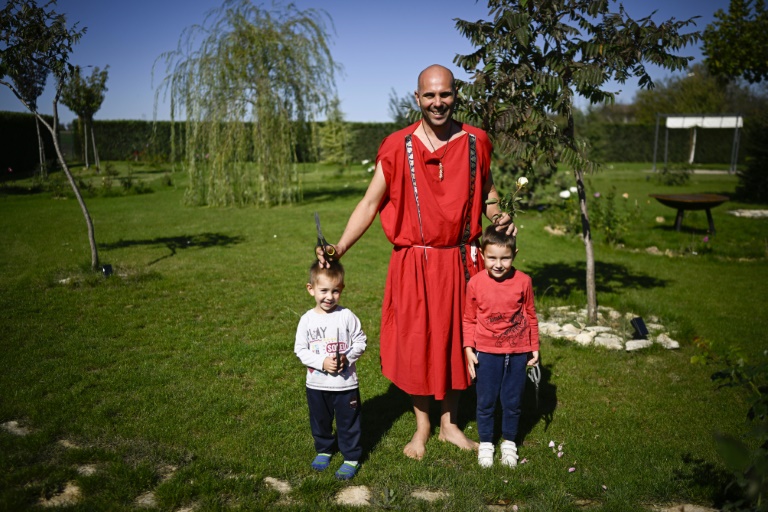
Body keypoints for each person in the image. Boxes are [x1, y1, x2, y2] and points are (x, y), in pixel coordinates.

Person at [316, 64, 514, 460]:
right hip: (415, 263)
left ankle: (449, 424)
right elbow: (370, 203)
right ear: (417, 98)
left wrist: (496, 214)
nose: (438, 103)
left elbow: (488, 189)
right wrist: (337, 247)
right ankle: (423, 427)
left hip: (461, 260)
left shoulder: (477, 140)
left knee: (459, 342)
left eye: (445, 94)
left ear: (455, 94)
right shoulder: (397, 145)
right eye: (430, 95)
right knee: (419, 342)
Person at [463, 225, 540, 468]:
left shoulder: (524, 281)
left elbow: (530, 314)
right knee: (485, 402)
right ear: (483, 255)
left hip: (517, 353)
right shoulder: (475, 283)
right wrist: (468, 349)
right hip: (486, 353)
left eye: (505, 258)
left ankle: (509, 442)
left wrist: (533, 346)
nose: (498, 264)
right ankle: (486, 443)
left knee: (512, 401)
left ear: (515, 254)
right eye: (492, 258)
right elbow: (469, 319)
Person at [294, 260, 367, 480]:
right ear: (311, 289)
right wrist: (321, 362)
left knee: (349, 422)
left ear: (341, 289)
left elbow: (361, 341)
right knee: (320, 420)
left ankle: (351, 457)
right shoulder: (306, 320)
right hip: (317, 385)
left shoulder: (346, 316)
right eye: (323, 290)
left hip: (345, 385)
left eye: (335, 291)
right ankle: (324, 449)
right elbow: (300, 349)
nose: (329, 296)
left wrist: (348, 357)